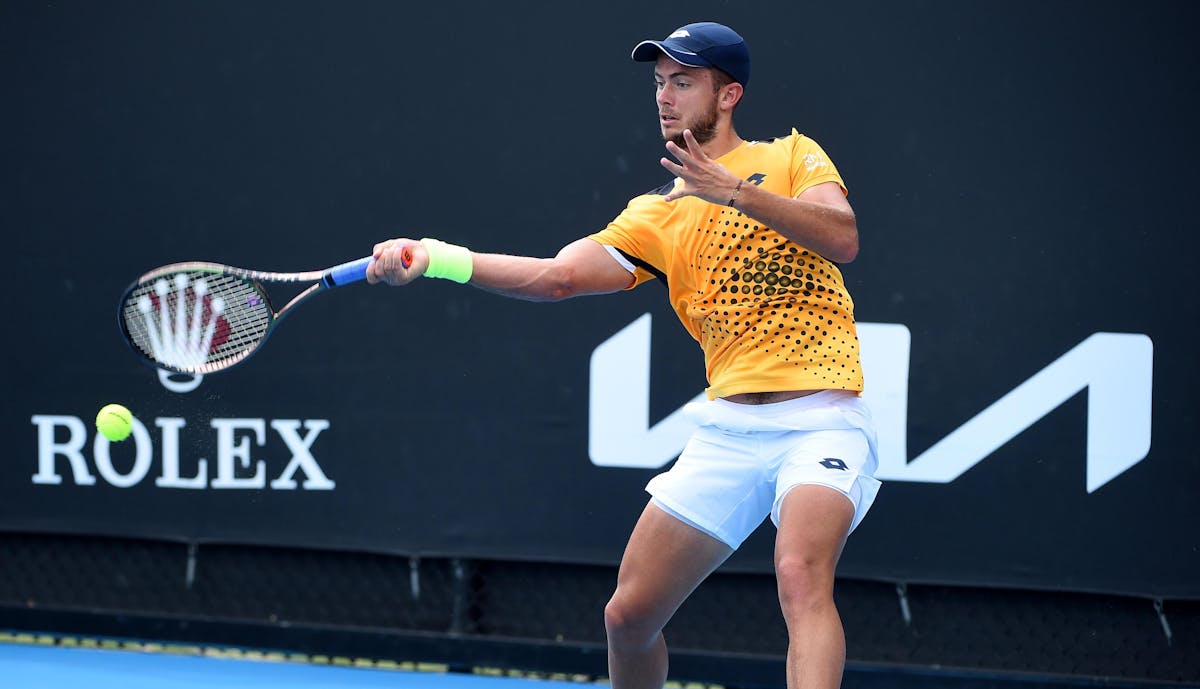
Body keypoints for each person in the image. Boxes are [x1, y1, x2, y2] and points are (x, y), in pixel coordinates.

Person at [366, 21, 881, 689]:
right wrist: (436, 258)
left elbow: (842, 237)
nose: (665, 97)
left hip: (822, 420)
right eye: (660, 83)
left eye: (684, 82)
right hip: (728, 431)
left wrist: (738, 193)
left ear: (729, 96)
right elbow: (557, 276)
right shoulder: (657, 213)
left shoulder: (791, 156)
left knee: (798, 573)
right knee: (627, 616)